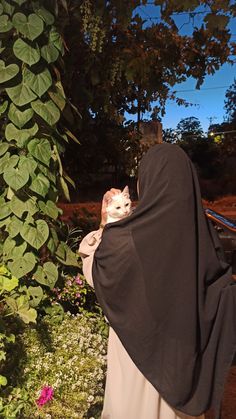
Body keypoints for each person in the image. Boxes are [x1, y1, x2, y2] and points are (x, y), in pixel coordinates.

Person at [79, 143, 236, 419]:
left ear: (147, 182)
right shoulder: (203, 238)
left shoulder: (125, 238)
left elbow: (96, 272)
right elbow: (220, 293)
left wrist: (105, 225)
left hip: (135, 365)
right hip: (183, 370)